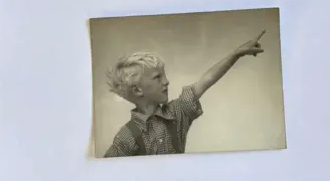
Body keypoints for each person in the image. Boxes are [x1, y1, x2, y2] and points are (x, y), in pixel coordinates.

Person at [103, 29, 266, 157]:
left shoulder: (177, 112)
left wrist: (236, 53)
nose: (166, 81)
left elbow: (206, 79)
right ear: (138, 90)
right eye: (157, 77)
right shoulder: (125, 137)